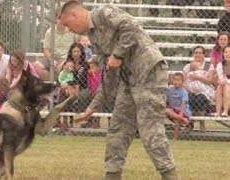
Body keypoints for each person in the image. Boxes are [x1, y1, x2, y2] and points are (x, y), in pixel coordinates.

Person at [58, 1, 178, 179]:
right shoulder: (94, 37)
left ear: (75, 15)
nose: (69, 30)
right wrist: (91, 109)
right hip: (129, 80)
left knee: (149, 130)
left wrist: (117, 54)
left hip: (149, 73)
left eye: (68, 24)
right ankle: (112, 175)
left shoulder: (102, 12)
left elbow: (131, 26)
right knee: (117, 129)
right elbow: (110, 75)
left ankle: (170, 176)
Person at [183, 46, 214, 132]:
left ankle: (201, 123)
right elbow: (183, 81)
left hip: (204, 90)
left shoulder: (209, 66)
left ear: (204, 55)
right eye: (196, 52)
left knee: (200, 98)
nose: (198, 54)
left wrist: (197, 77)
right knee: (189, 98)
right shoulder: (188, 66)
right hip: (190, 90)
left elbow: (210, 81)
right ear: (193, 54)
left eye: (200, 53)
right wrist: (189, 88)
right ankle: (189, 124)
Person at [166, 73, 191, 140]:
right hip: (173, 110)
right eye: (174, 80)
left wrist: (181, 114)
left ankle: (175, 137)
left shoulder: (183, 91)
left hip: (183, 111)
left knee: (176, 120)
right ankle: (182, 119)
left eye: (178, 80)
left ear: (182, 81)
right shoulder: (170, 89)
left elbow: (184, 103)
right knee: (166, 110)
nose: (176, 82)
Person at [215, 45, 230, 117]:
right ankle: (218, 112)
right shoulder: (220, 65)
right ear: (223, 54)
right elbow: (221, 79)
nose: (228, 54)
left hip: (227, 86)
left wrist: (226, 81)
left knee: (225, 86)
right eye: (226, 52)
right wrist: (224, 82)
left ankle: (225, 111)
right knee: (220, 87)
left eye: (229, 52)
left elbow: (224, 81)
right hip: (224, 87)